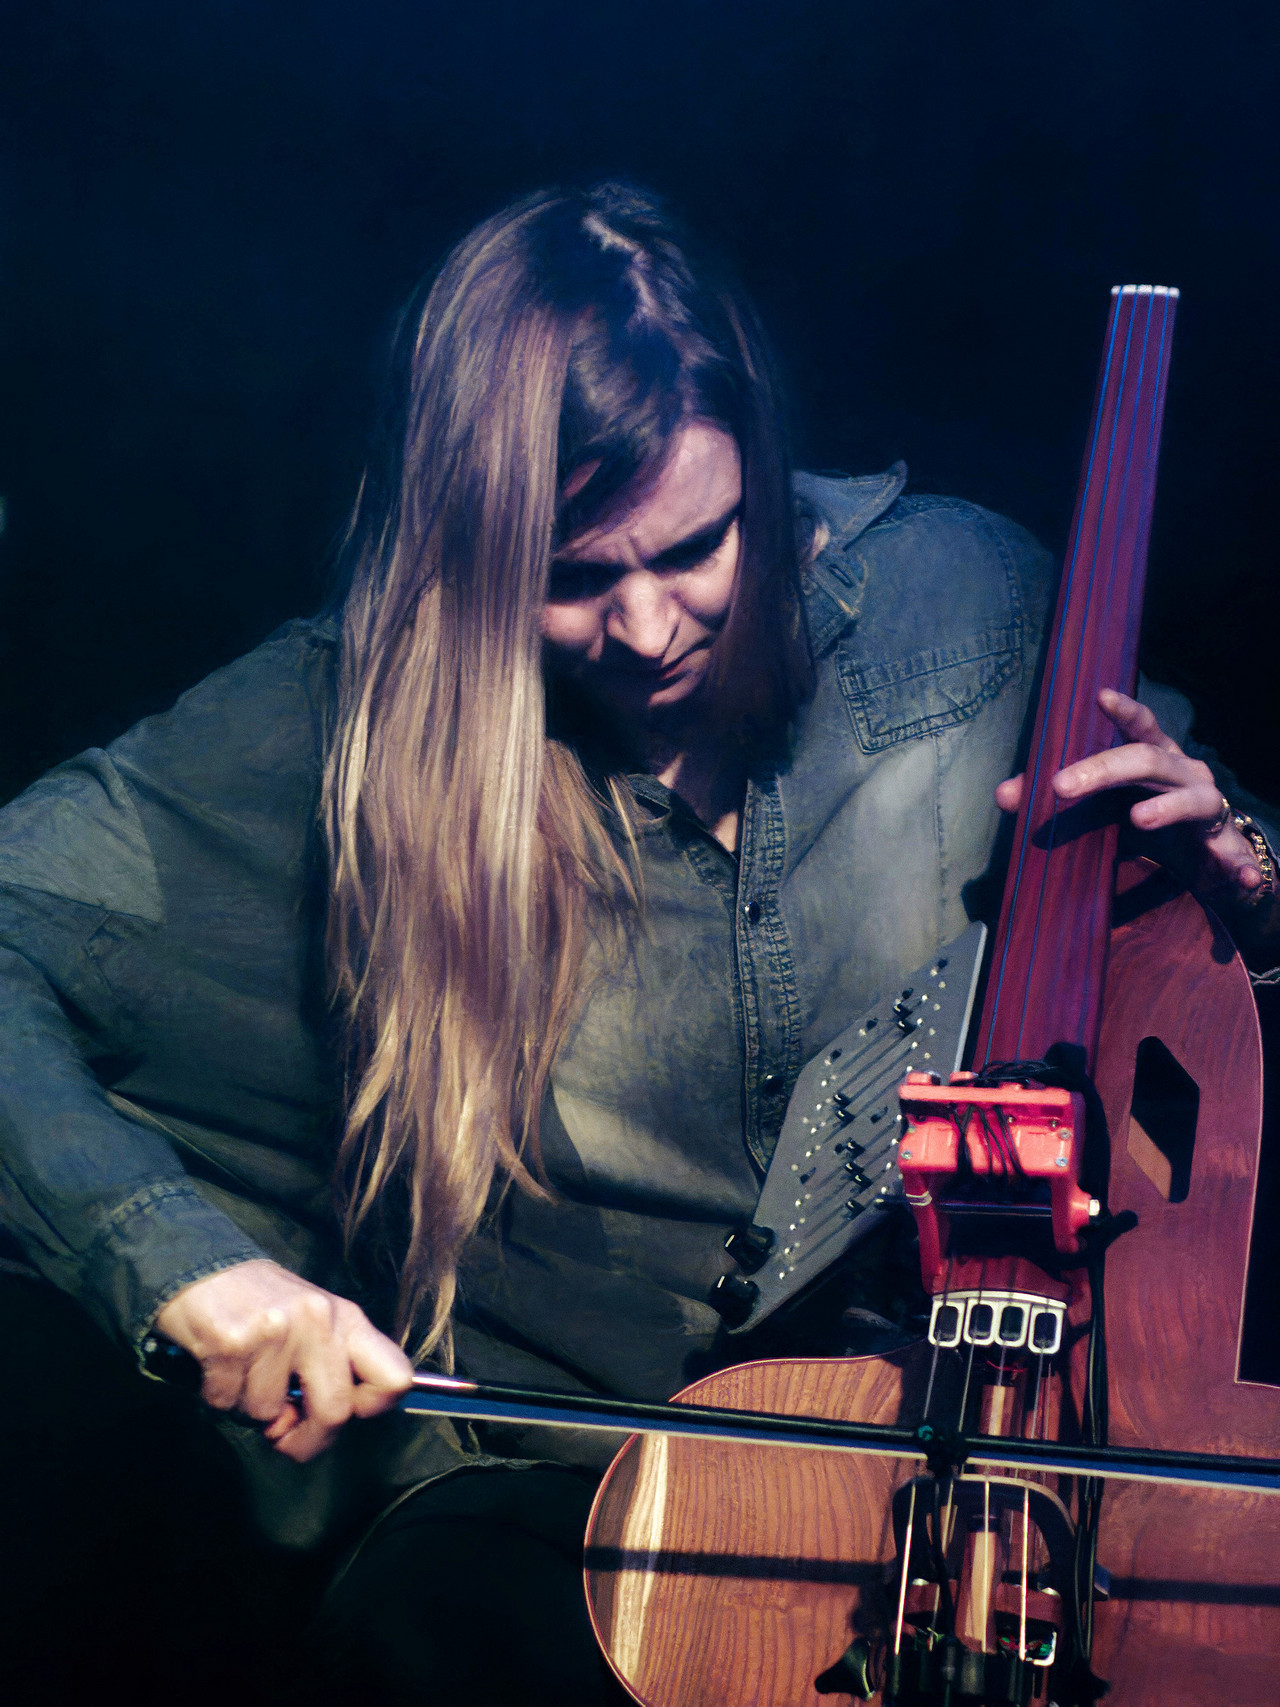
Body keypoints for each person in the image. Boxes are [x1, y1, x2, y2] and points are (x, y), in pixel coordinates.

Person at [0, 182, 1275, 1704]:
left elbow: (1200, 974)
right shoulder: (330, 726)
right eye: (574, 579)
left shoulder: (968, 604)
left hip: (988, 1490)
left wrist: (1251, 890)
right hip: (575, 1526)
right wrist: (181, 1272)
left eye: (697, 546)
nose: (654, 626)